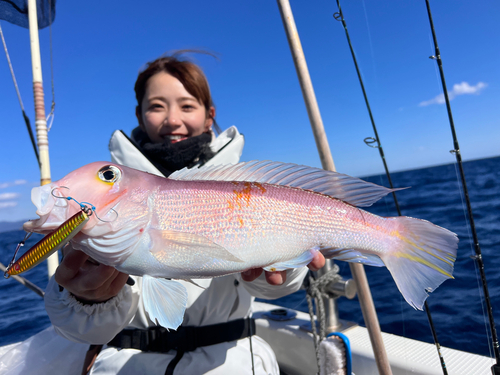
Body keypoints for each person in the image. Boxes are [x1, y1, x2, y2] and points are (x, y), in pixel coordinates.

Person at [44, 52, 325, 375]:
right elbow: (80, 332)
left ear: (209, 115)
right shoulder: (101, 197)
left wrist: (284, 269)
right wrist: (86, 300)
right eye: (156, 106)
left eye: (187, 105)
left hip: (232, 365)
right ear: (139, 114)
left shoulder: (250, 186)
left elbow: (272, 287)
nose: (172, 120)